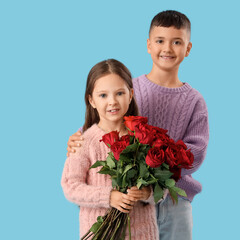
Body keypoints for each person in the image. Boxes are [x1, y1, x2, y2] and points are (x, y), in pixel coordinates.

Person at [66, 10, 209, 240]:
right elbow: (106, 120)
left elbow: (197, 152)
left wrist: (158, 160)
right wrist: (78, 137)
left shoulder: (194, 100)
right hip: (128, 197)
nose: (167, 48)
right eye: (160, 41)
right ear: (149, 45)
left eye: (177, 42)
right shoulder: (125, 86)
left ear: (188, 48)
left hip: (173, 197)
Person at [61, 59, 159, 239]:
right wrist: (109, 196)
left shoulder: (144, 138)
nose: (112, 101)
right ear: (91, 100)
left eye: (119, 93)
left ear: (130, 95)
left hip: (143, 233)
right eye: (103, 95)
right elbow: (71, 186)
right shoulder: (84, 141)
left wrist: (147, 193)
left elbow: (162, 188)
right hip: (101, 233)